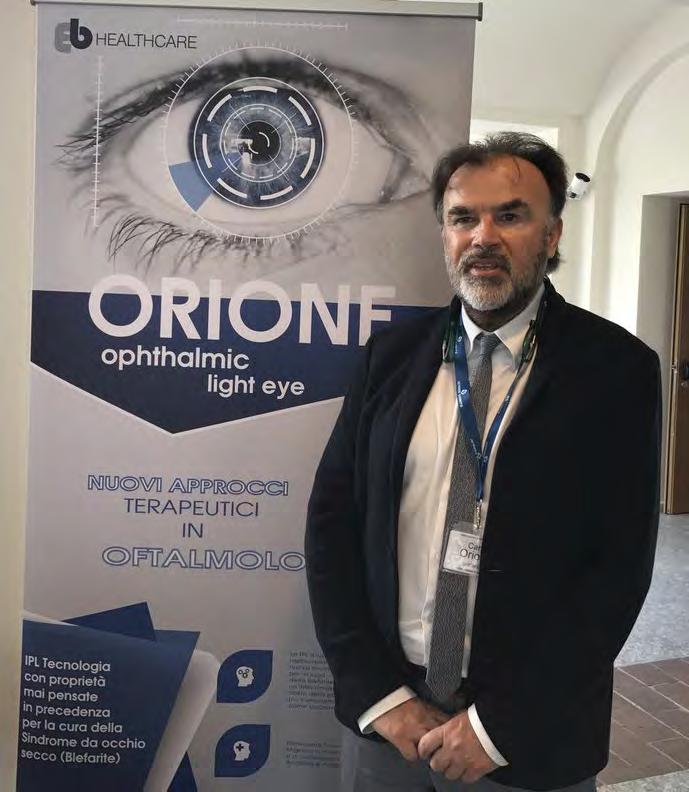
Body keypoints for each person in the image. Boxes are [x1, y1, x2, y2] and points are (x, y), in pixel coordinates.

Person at [305, 132, 661, 791]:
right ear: (444, 233)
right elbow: (332, 528)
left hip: (525, 734)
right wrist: (377, 694)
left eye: (511, 215)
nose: (483, 237)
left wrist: (502, 724)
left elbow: (615, 572)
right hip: (391, 722)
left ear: (551, 234)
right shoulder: (390, 358)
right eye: (462, 217)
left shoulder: (615, 370)